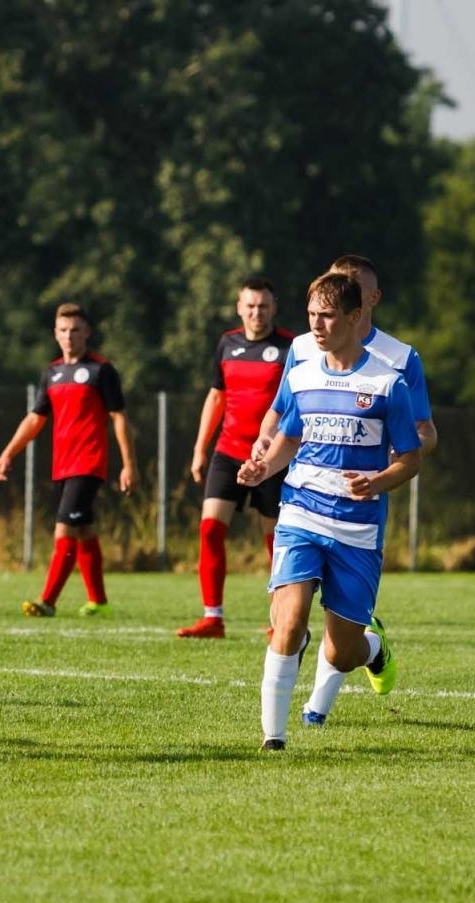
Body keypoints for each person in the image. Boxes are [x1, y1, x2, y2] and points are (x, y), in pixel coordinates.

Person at [238, 271, 421, 750]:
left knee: (341, 653)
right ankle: (273, 739)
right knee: (289, 620)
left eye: (328, 316)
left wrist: (377, 481)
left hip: (357, 529)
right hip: (301, 511)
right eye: (311, 315)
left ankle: (373, 649)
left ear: (355, 317)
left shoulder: (388, 384)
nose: (316, 325)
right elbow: (289, 436)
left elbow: (411, 456)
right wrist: (264, 467)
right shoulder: (301, 373)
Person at [0, 303, 135, 617]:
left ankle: (48, 602)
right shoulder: (52, 372)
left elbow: (119, 417)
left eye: (75, 330)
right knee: (84, 531)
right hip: (62, 465)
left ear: (87, 333)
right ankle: (99, 602)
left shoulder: (101, 370)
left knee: (64, 531)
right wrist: (7, 454)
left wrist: (128, 465)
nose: (69, 336)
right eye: (64, 330)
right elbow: (35, 419)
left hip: (89, 463)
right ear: (55, 334)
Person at [177, 276, 295, 639]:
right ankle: (212, 618)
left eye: (263, 306)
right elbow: (216, 397)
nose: (257, 312)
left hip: (271, 458)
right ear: (239, 308)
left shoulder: (291, 347)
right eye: (251, 306)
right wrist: (200, 448)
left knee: (276, 538)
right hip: (227, 451)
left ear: (273, 308)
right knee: (210, 528)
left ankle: (281, 619)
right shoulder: (227, 343)